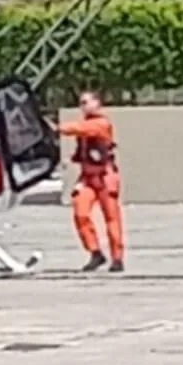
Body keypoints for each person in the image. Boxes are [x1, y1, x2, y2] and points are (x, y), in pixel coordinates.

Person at [57, 91, 124, 272]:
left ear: (97, 103)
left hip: (105, 177)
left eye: (85, 102)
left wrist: (57, 128)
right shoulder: (85, 126)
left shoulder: (101, 123)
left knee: (112, 218)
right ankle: (95, 252)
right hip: (87, 178)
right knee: (80, 213)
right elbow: (81, 149)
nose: (82, 106)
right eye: (81, 103)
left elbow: (80, 128)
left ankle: (117, 258)